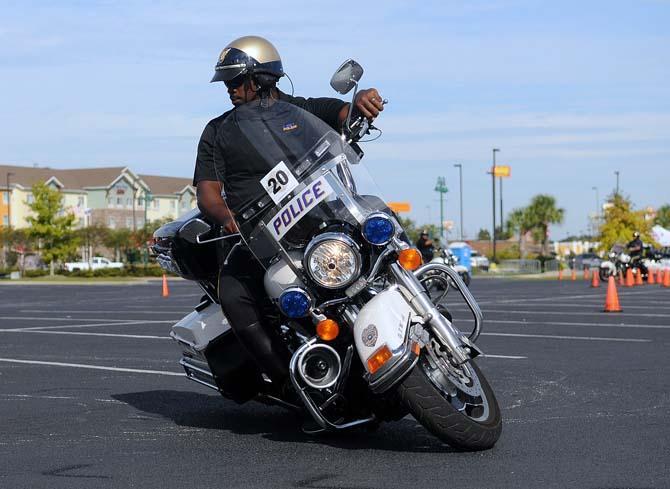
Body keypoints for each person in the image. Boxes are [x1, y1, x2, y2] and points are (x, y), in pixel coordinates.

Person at [192, 36, 385, 390]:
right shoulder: (218, 131)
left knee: (379, 219)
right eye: (227, 83)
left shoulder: (302, 111)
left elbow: (345, 114)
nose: (230, 90)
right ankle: (288, 382)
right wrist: (228, 219)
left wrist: (360, 101)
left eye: (237, 81)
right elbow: (207, 192)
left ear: (263, 79)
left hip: (322, 220)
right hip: (259, 238)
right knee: (234, 295)